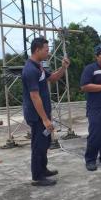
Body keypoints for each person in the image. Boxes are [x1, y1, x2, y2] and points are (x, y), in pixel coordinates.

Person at [22, 36, 70, 186]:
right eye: (46, 50)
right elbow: (34, 96)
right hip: (37, 116)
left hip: (42, 114)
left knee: (45, 142)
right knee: (38, 144)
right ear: (37, 50)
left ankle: (43, 169)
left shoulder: (39, 67)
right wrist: (45, 119)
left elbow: (53, 78)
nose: (48, 53)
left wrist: (63, 68)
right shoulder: (30, 70)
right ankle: (37, 176)